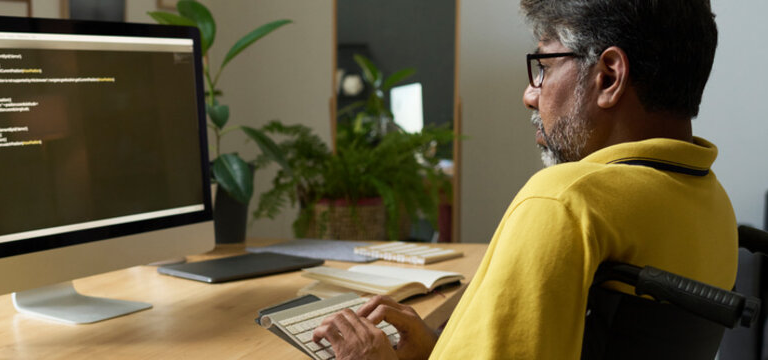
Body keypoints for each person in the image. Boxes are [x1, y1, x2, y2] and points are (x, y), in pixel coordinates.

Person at [312, 0, 738, 358]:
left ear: (608, 76)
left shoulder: (566, 202)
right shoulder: (713, 201)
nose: (530, 93)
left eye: (544, 66)